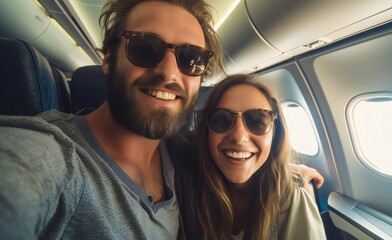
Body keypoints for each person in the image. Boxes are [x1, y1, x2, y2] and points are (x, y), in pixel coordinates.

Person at [0, 0, 322, 239]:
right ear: (109, 60)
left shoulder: (179, 154)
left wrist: (282, 167)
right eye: (144, 48)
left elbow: (232, 151)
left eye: (190, 59)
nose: (168, 73)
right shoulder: (55, 156)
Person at [195, 74, 326, 239]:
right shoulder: (188, 185)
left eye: (257, 122)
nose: (239, 136)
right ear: (205, 133)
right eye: (221, 120)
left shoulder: (292, 200)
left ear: (275, 134)